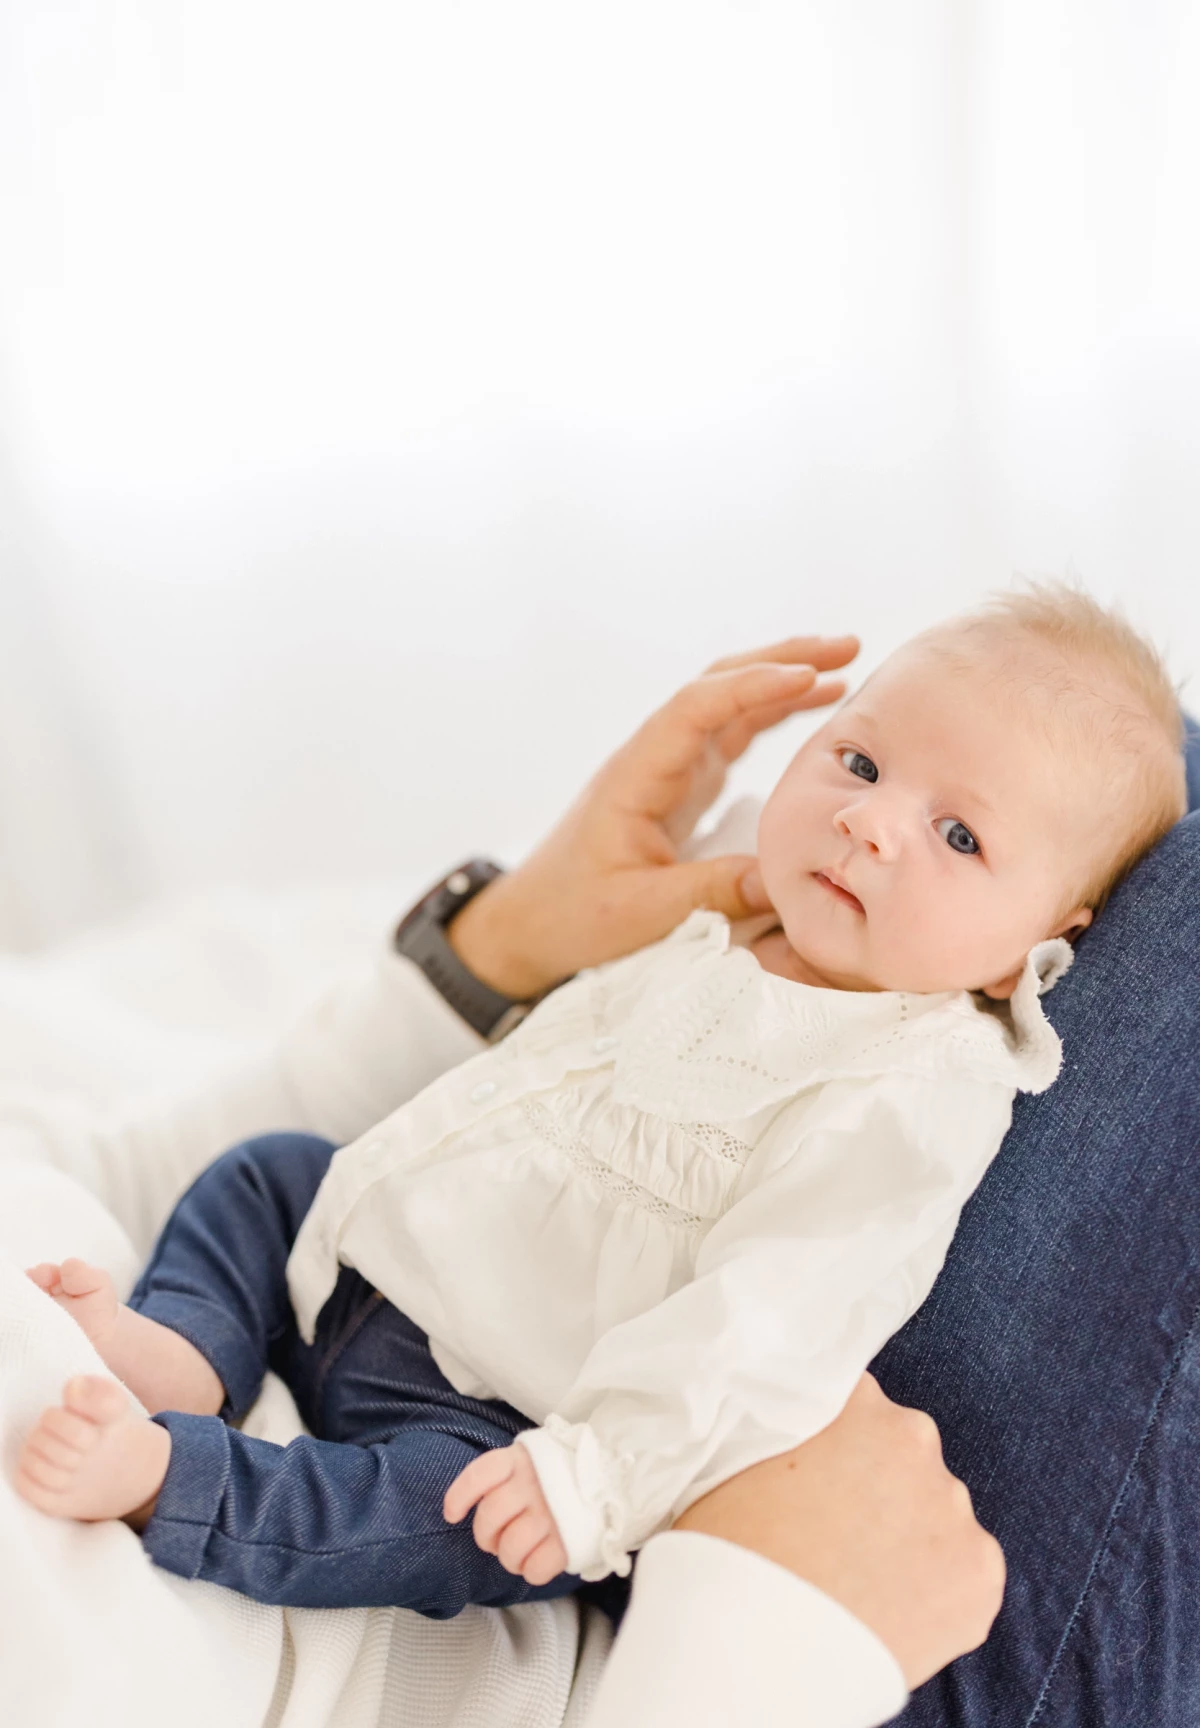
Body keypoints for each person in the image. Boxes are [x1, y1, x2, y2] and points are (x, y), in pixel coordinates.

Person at [15, 587, 1188, 1646]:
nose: (868, 827)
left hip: (503, 1405)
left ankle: (175, 1478)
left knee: (432, 1523)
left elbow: (771, 1321)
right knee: (266, 1173)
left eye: (961, 837)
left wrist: (595, 1478)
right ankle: (187, 1348)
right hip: (375, 1249)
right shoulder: (733, 904)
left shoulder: (914, 1083)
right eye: (861, 763)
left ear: (1041, 949)